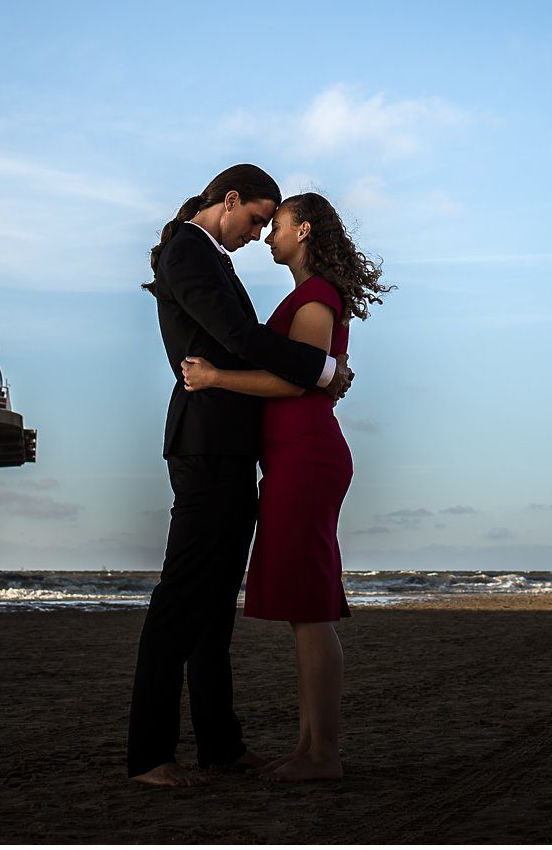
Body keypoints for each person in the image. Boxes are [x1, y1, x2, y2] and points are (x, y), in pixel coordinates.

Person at [127, 164, 352, 788]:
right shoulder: (188, 250)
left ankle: (220, 746)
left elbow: (238, 342)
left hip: (229, 447)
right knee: (183, 597)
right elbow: (237, 335)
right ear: (229, 200)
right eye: (255, 220)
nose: (257, 235)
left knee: (213, 606)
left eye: (267, 226)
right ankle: (149, 754)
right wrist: (321, 370)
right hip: (205, 445)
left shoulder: (211, 257)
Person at [181, 191, 389, 782]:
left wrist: (216, 377)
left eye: (277, 225)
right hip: (292, 457)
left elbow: (298, 381)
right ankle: (308, 748)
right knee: (305, 606)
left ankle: (323, 754)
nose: (267, 236)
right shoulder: (306, 295)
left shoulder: (316, 296)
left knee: (311, 608)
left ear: (304, 231)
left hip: (307, 456)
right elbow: (314, 374)